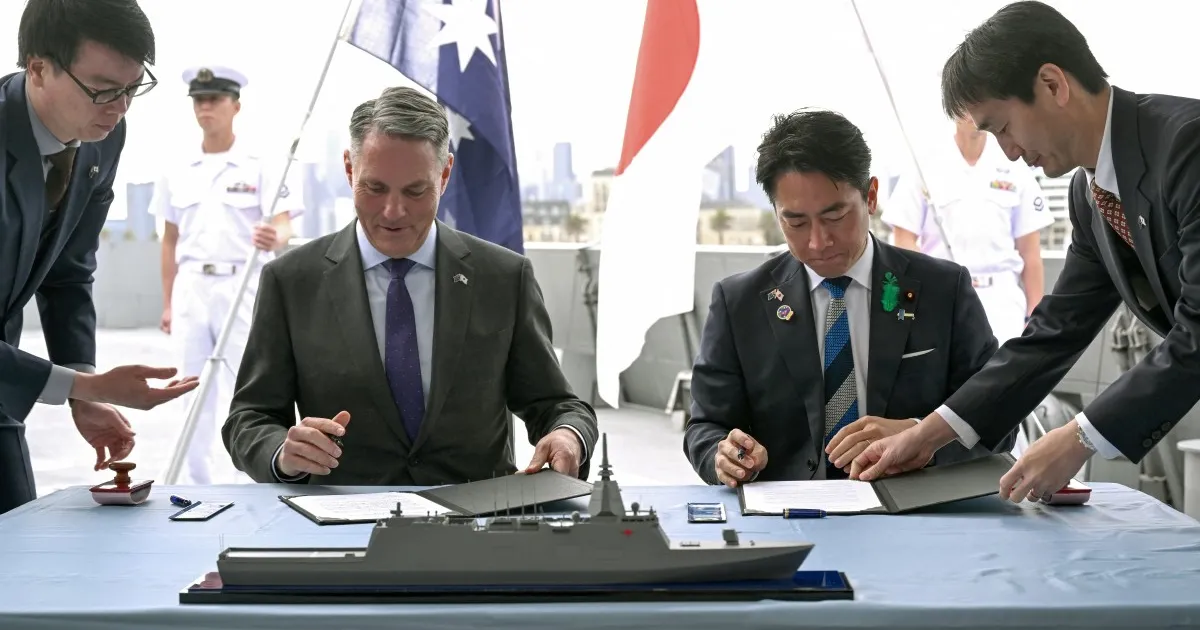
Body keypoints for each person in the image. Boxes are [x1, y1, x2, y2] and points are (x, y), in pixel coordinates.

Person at [852, 0, 1200, 504]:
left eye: (1003, 127)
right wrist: (927, 435)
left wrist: (1080, 437)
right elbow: (1055, 332)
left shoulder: (1187, 146)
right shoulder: (1089, 195)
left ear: (1053, 85)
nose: (1009, 152)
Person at [222, 86, 599, 485]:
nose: (393, 211)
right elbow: (250, 418)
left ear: (445, 174)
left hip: (477, 516)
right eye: (375, 188)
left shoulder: (504, 277)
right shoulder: (290, 281)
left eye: (415, 191)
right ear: (349, 169)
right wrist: (282, 453)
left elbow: (556, 405)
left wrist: (567, 436)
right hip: (339, 515)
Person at [682, 109, 1014, 488]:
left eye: (835, 215)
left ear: (870, 197)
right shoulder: (739, 303)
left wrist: (922, 436)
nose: (818, 242)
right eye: (796, 222)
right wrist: (723, 456)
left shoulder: (943, 290)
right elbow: (705, 426)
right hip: (788, 509)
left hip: (911, 508)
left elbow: (999, 422)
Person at [0, 0, 197, 514]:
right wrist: (80, 385)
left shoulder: (101, 138)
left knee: (14, 546)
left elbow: (68, 271)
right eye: (103, 89)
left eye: (134, 88)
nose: (120, 108)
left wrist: (83, 389)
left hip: (4, 382)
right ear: (38, 68)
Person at [149, 65, 302, 484]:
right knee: (189, 389)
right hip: (192, 287)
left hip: (244, 284)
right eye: (199, 100)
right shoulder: (176, 167)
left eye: (214, 99)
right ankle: (194, 484)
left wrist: (275, 237)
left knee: (249, 387)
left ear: (235, 105)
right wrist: (168, 303)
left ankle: (250, 480)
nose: (205, 107)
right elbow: (169, 240)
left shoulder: (261, 163)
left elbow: (284, 224)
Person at [884, 116, 1053, 344]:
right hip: (942, 296)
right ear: (952, 109)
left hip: (1002, 301)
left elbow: (1030, 252)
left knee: (1004, 366)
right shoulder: (925, 163)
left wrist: (1035, 316)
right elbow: (903, 240)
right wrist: (929, 288)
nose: (972, 112)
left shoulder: (1013, 161)